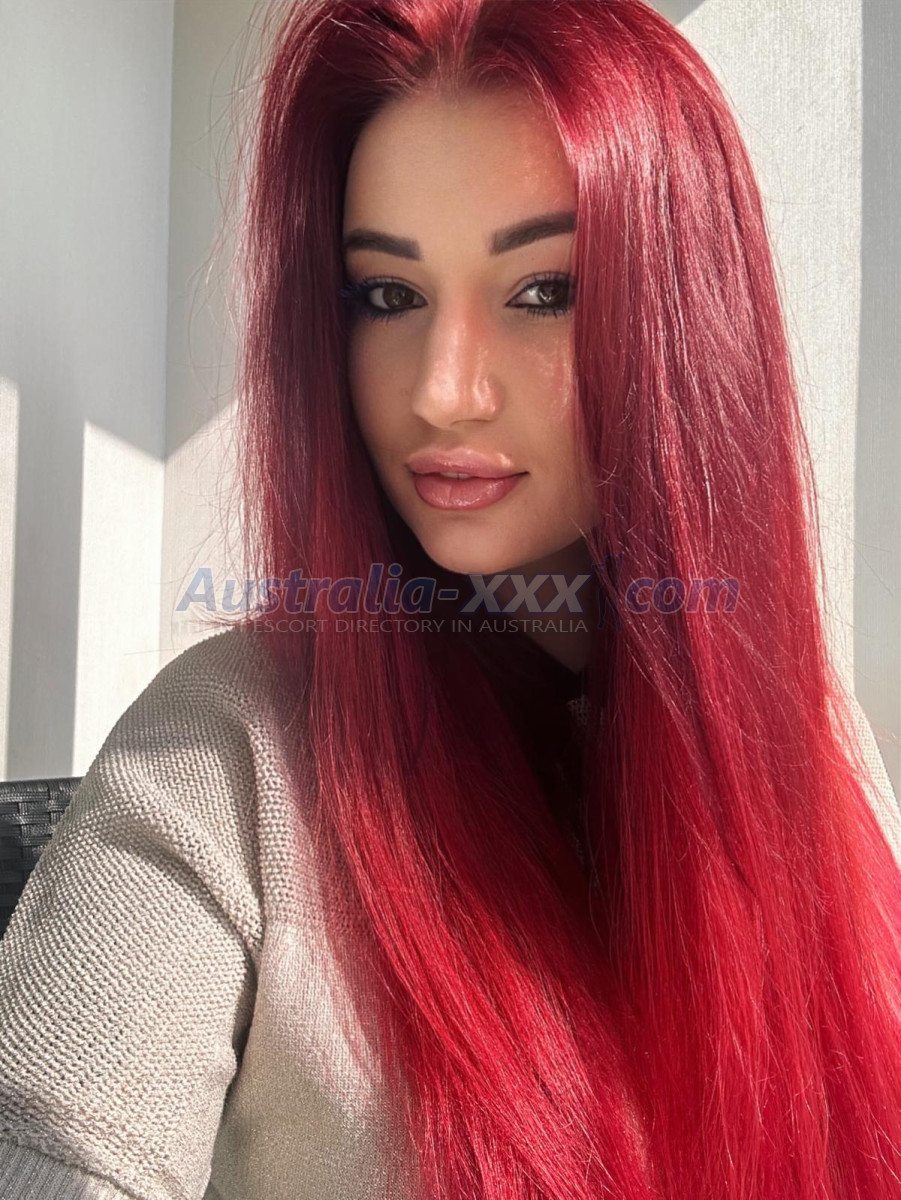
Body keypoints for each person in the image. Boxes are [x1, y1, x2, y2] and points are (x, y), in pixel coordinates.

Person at [1, 1, 900, 1197]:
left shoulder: (812, 732)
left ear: (688, 321)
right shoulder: (224, 753)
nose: (443, 391)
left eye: (542, 291)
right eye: (388, 296)